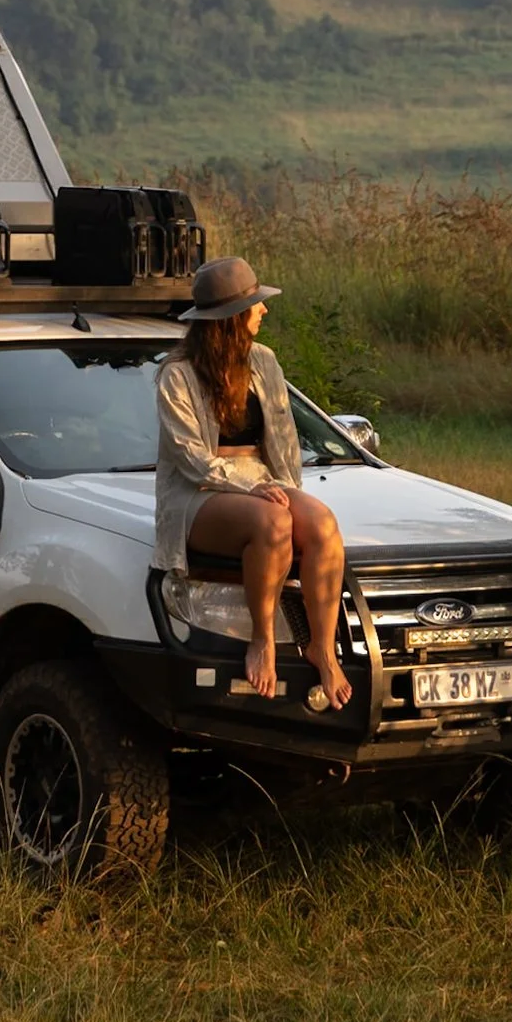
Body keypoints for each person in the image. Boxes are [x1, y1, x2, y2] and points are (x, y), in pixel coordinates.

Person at [154, 256, 351, 707]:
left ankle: (321, 644)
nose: (264, 310)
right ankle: (263, 638)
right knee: (272, 524)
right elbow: (190, 458)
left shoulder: (264, 361)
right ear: (230, 318)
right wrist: (250, 490)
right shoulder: (177, 374)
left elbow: (283, 440)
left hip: (260, 481)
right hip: (199, 492)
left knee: (321, 523)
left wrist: (289, 492)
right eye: (255, 305)